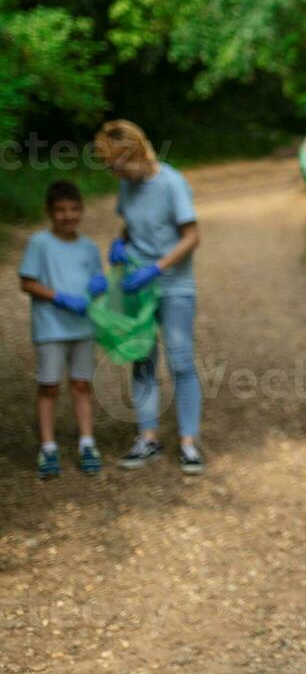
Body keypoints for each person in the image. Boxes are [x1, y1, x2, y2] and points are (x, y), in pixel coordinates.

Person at [94, 120, 205, 474]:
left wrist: (156, 268)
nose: (115, 174)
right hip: (137, 290)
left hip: (174, 285)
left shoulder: (171, 183)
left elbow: (191, 237)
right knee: (141, 358)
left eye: (117, 165)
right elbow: (129, 224)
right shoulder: (128, 184)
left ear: (136, 153)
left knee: (181, 362)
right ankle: (148, 438)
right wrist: (120, 244)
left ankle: (189, 443)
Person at [18, 180, 107, 478]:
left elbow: (97, 279)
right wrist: (60, 297)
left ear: (81, 210)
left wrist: (99, 285)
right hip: (51, 328)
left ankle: (87, 442)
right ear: (49, 212)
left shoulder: (89, 247)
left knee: (82, 384)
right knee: (50, 386)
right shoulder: (39, 244)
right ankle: (48, 446)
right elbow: (27, 282)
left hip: (83, 328)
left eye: (74, 209)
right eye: (61, 210)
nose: (68, 216)